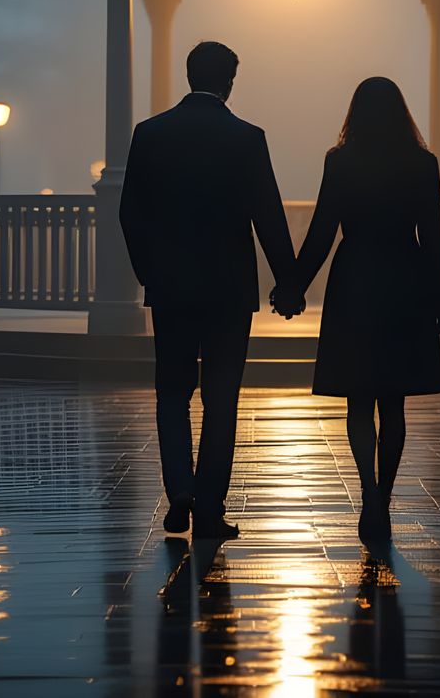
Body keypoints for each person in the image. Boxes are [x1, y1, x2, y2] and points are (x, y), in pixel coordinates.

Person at [120, 40, 296, 539]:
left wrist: (149, 272)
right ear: (229, 82)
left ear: (188, 73)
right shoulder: (247, 138)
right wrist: (287, 281)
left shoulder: (150, 134)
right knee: (222, 399)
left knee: (172, 393)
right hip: (228, 290)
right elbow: (268, 215)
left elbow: (130, 213)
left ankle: (179, 489)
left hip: (172, 287)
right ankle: (210, 508)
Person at [275, 76, 440, 541]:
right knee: (394, 401)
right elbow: (432, 234)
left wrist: (292, 286)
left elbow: (322, 231)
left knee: (359, 398)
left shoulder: (341, 161)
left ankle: (368, 492)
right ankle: (386, 497)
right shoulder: (422, 164)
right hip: (405, 278)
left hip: (355, 279)